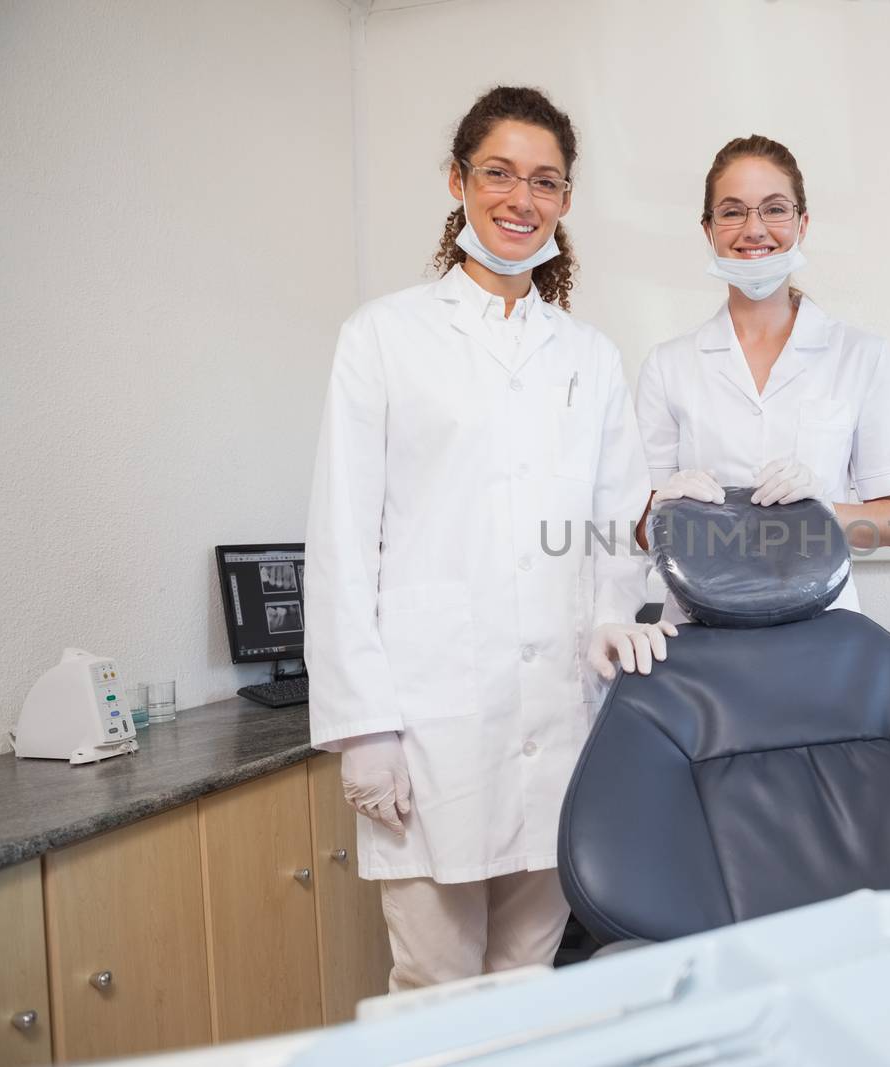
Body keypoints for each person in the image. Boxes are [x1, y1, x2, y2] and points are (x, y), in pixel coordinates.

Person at [304, 86, 673, 991]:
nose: (521, 199)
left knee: (526, 979)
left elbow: (614, 530)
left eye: (545, 181)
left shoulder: (587, 355)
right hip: (431, 721)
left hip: (559, 712)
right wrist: (364, 728)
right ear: (458, 181)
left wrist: (609, 617)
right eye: (499, 173)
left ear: (567, 200)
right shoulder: (384, 337)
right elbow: (342, 539)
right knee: (436, 987)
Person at [636, 135, 890, 619]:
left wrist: (823, 513)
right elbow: (640, 526)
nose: (754, 229)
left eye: (774, 209)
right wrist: (665, 513)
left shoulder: (860, 355)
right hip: (697, 631)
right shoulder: (669, 365)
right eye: (732, 212)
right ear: (708, 229)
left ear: (802, 223)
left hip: (820, 629)